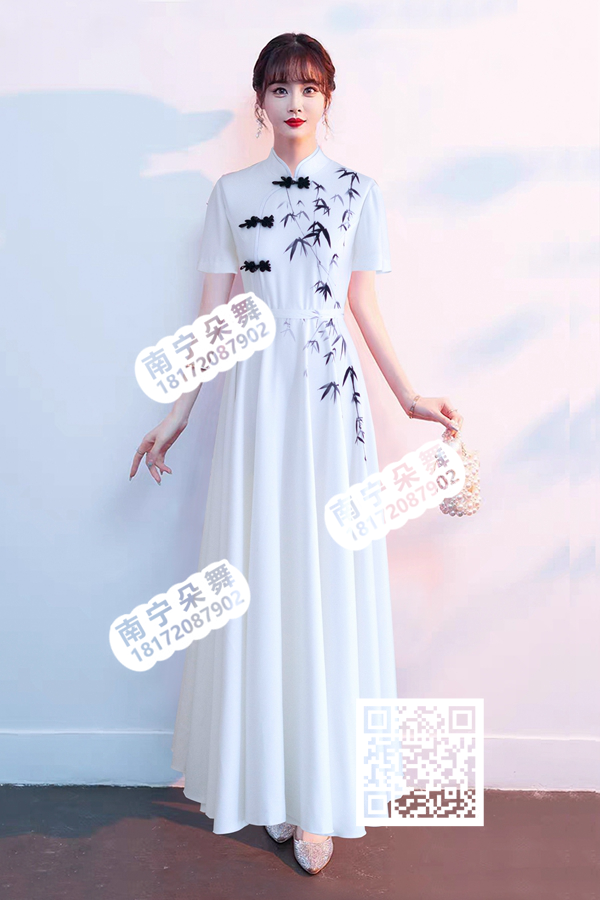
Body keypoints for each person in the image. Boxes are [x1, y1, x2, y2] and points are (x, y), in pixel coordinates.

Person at [130, 32, 463, 876]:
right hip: (257, 400)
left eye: (309, 87)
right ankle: (275, 783)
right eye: (279, 87)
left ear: (328, 98)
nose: (294, 102)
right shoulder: (230, 193)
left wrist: (409, 397)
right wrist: (176, 412)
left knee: (324, 580)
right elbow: (215, 319)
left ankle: (320, 796)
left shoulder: (358, 192)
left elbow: (363, 308)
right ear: (259, 101)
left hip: (327, 403)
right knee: (263, 579)